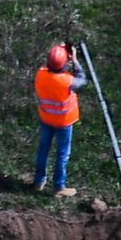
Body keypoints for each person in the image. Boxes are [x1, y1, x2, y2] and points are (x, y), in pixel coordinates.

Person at [33, 43, 89, 198]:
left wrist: (58, 50)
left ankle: (39, 181)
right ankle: (58, 187)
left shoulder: (40, 75)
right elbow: (83, 79)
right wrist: (75, 59)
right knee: (62, 154)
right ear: (65, 64)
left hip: (46, 119)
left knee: (43, 150)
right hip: (64, 122)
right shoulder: (68, 81)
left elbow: (47, 65)